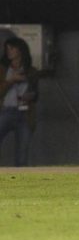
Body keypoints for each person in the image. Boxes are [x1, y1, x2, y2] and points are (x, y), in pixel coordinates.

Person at [0, 37, 39, 166]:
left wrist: (31, 96)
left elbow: (36, 94)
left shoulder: (32, 71)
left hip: (25, 115)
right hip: (5, 112)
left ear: (21, 50)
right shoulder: (2, 70)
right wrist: (11, 80)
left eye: (12, 48)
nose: (8, 51)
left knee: (22, 157)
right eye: (7, 49)